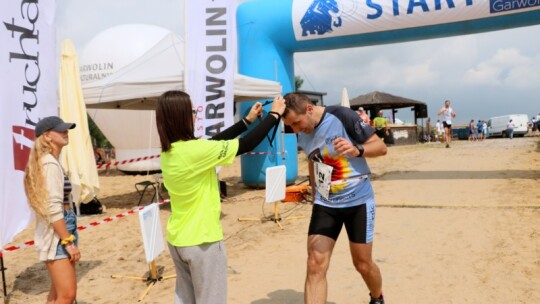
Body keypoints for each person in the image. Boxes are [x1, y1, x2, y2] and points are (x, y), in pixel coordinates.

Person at [155, 90, 286, 304]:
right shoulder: (195, 151)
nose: (194, 115)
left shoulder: (170, 152)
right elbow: (245, 145)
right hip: (202, 241)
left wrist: (246, 121)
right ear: (181, 117)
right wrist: (274, 116)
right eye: (192, 111)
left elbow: (214, 142)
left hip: (179, 239)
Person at [282, 93, 387, 304]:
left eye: (296, 123)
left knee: (362, 264)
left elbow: (381, 148)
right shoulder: (303, 132)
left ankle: (377, 298)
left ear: (309, 109)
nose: (294, 130)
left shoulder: (342, 116)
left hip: (358, 202)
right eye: (290, 126)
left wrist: (358, 150)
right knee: (315, 263)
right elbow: (314, 160)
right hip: (326, 204)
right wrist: (315, 195)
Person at [23, 116, 80, 304]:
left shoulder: (49, 161)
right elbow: (53, 208)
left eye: (66, 129)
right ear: (47, 136)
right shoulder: (49, 164)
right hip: (58, 232)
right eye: (61, 130)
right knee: (67, 295)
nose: (66, 132)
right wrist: (67, 241)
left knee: (57, 294)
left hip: (61, 227)